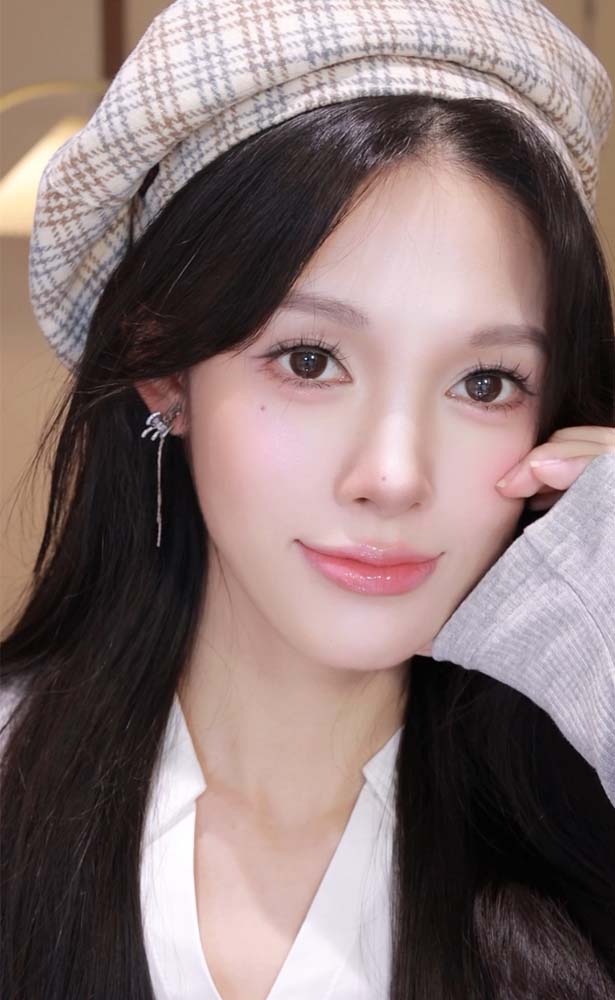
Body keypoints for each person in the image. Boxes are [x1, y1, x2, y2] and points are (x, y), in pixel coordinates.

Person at [1, 1, 614, 998]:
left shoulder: (584, 830)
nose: (394, 474)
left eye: (485, 382)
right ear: (164, 369)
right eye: (310, 360)